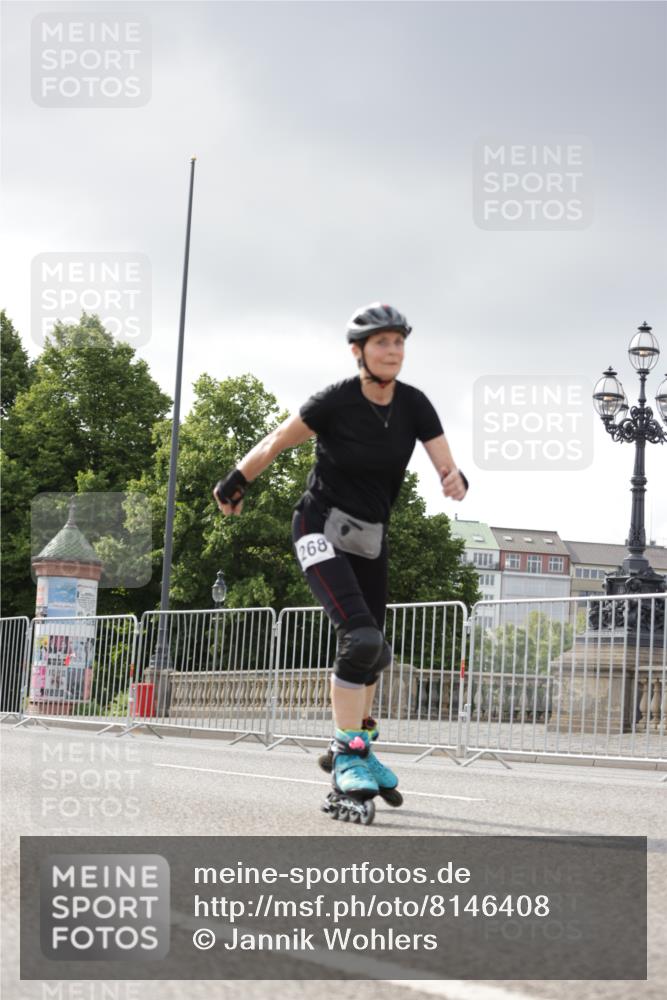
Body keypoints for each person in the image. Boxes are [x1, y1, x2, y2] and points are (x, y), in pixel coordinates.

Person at [214, 303, 468, 823]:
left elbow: (445, 460)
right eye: (382, 343)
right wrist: (237, 478)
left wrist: (454, 478)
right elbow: (276, 440)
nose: (393, 351)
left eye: (399, 343)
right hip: (319, 526)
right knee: (362, 641)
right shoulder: (335, 401)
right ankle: (348, 753)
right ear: (359, 351)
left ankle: (359, 747)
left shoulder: (415, 405)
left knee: (376, 653)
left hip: (370, 540)